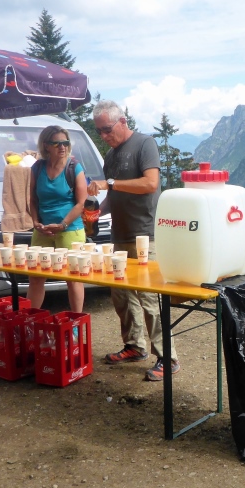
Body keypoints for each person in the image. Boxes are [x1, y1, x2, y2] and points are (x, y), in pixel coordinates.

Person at [87, 100, 179, 382]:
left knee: (149, 297)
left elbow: (150, 183)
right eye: (99, 131)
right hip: (120, 234)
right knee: (122, 295)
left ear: (122, 121)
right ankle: (134, 346)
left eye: (107, 129)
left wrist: (110, 184)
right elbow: (113, 196)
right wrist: (95, 213)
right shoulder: (110, 156)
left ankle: (167, 357)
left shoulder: (144, 144)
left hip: (145, 234)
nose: (104, 136)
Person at [28, 125, 87, 312]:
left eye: (65, 143)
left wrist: (63, 224)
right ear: (46, 146)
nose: (62, 147)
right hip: (43, 230)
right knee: (36, 276)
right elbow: (33, 199)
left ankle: (76, 321)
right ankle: (31, 320)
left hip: (70, 229)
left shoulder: (74, 167)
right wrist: (35, 222)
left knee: (73, 277)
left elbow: (81, 203)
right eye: (57, 143)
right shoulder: (37, 168)